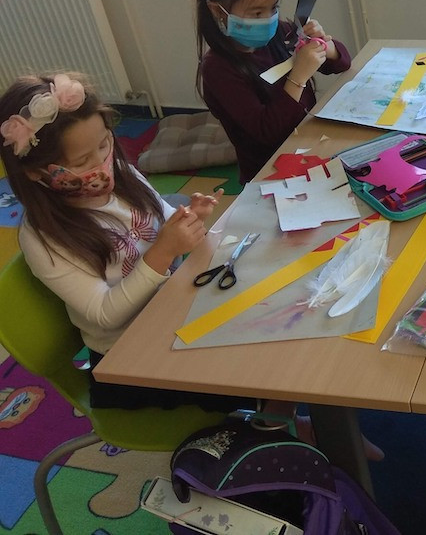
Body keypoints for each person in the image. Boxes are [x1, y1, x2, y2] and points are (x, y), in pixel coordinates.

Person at [0, 74, 390, 459]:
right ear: (36, 172)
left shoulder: (121, 176)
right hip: (130, 359)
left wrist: (188, 217)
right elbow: (104, 314)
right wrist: (163, 252)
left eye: (104, 144)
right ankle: (285, 424)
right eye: (82, 161)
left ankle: (293, 417)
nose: (102, 163)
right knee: (270, 355)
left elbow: (163, 219)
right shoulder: (45, 238)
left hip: (173, 304)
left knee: (288, 301)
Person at [195, 0, 352, 184]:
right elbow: (268, 132)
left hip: (309, 147)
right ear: (218, 10)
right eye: (257, 13)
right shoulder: (218, 69)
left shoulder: (280, 32)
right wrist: (298, 78)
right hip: (269, 174)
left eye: (273, 8)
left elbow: (342, 63)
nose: (268, 19)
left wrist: (323, 44)